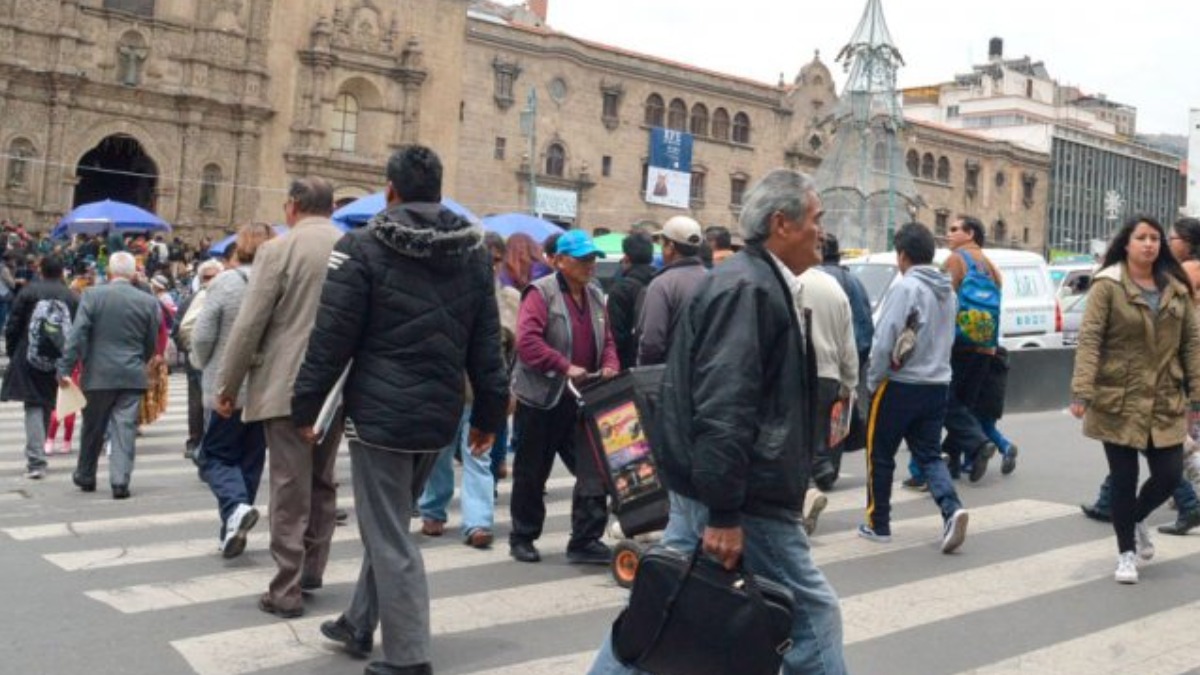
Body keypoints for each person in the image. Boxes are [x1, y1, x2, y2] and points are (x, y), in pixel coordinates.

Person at [588, 169, 846, 675]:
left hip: (724, 486)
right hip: (746, 494)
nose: (823, 232)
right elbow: (725, 409)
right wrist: (726, 513)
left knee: (666, 598)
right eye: (816, 220)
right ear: (782, 224)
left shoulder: (756, 282)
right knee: (814, 616)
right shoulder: (748, 290)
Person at [292, 145, 508, 675]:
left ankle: (409, 656)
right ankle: (359, 621)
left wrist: (305, 404)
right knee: (388, 525)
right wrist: (489, 415)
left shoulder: (363, 247)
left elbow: (331, 338)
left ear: (390, 191)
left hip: (380, 415)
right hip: (438, 415)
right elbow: (487, 344)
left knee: (388, 535)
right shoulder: (474, 253)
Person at [215, 177, 345, 618]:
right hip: (337, 388)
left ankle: (286, 588)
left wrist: (227, 387)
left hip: (287, 385)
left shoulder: (279, 250)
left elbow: (249, 326)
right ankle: (312, 568)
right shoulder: (353, 247)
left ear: (292, 207)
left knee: (289, 485)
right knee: (322, 480)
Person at [1070, 215, 1200, 584]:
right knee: (1123, 479)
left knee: (1169, 473)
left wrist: (1197, 392)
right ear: (1126, 243)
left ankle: (1136, 518)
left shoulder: (1176, 286)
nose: (1149, 244)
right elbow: (1090, 339)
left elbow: (1191, 342)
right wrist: (1082, 390)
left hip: (1164, 397)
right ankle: (1126, 553)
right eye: (1141, 237)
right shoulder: (1107, 284)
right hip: (1118, 397)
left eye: (1155, 238)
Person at [858, 222, 970, 554]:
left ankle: (878, 523)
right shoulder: (947, 290)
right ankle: (951, 508)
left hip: (900, 385)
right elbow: (948, 337)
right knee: (930, 454)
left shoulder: (905, 288)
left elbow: (885, 340)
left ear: (902, 255)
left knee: (880, 454)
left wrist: (873, 379)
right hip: (937, 384)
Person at [509, 229, 620, 565]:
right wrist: (563, 365)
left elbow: (609, 339)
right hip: (543, 397)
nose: (590, 265)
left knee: (594, 470)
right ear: (559, 261)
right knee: (532, 471)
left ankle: (585, 539)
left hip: (582, 398)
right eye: (582, 259)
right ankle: (523, 537)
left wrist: (611, 363)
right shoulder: (540, 294)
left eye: (592, 259)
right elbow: (527, 343)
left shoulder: (597, 294)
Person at [191, 224, 275, 558]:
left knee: (212, 456)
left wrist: (201, 362)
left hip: (228, 386)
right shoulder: (277, 283)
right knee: (250, 460)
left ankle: (236, 509)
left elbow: (202, 334)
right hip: (265, 388)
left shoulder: (227, 281)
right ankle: (231, 527)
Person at [58, 251, 160, 499]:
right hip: (132, 374)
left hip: (98, 373)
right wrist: (139, 361)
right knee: (124, 428)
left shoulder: (93, 295)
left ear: (110, 273)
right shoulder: (147, 301)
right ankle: (120, 480)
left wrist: (65, 367)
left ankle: (86, 474)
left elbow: (77, 334)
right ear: (133, 274)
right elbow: (150, 342)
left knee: (93, 427)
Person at [1, 255, 78, 480]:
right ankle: (40, 451)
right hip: (59, 359)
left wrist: (15, 351)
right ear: (62, 272)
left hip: (29, 355)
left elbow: (13, 325)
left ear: (41, 270)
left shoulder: (28, 292)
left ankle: (36, 461)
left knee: (33, 404)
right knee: (46, 402)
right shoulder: (71, 297)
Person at [941, 215, 1003, 480]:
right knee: (964, 403)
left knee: (945, 402)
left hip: (958, 344)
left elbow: (941, 299)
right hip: (984, 347)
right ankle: (953, 461)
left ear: (970, 234)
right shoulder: (991, 266)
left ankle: (978, 444)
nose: (949, 234)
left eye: (954, 229)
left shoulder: (955, 260)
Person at [798, 259, 858, 521]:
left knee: (797, 440)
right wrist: (849, 383)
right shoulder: (833, 286)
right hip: (829, 375)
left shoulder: (790, 282)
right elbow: (848, 342)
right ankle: (819, 469)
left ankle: (808, 486)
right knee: (816, 433)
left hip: (799, 372)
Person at [637, 216, 707, 366]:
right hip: (708, 376)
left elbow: (652, 343)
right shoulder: (714, 279)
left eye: (663, 244)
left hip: (672, 377)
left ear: (670, 248)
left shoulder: (662, 284)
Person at [175, 259, 224, 460]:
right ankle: (197, 440)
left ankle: (204, 442)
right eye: (207, 277)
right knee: (198, 401)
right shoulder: (193, 299)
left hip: (208, 358)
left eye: (214, 277)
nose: (210, 281)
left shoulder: (215, 297)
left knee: (205, 400)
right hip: (199, 358)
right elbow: (179, 329)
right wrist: (191, 351)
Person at [605, 232, 656, 371]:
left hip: (628, 366)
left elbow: (615, 335)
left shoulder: (621, 289)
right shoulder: (662, 282)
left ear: (626, 257)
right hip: (659, 364)